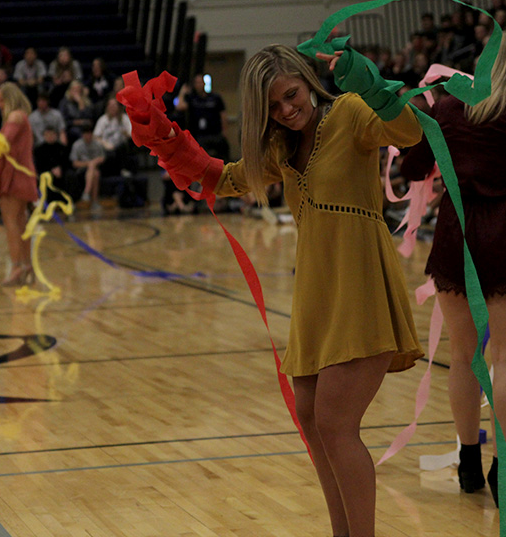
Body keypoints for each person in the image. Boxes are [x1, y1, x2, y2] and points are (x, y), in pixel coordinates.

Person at [118, 44, 424, 537]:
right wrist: (169, 139)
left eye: (291, 94)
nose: (286, 109)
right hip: (316, 296)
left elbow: (407, 131)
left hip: (360, 284)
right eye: (274, 106)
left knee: (337, 424)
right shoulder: (282, 146)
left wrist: (369, 86)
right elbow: (225, 178)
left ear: (307, 81)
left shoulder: (347, 113)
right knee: (313, 419)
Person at [400, 31, 506, 507]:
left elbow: (412, 169)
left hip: (456, 230)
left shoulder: (448, 106)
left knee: (464, 351)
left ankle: (469, 462)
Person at [0, 82, 39, 286]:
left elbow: (2, 142)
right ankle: (27, 265)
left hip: (14, 176)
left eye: (1, 100)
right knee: (21, 222)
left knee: (11, 222)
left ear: (9, 99)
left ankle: (17, 267)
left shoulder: (15, 116)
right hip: (23, 173)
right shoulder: (23, 116)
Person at [175, 73, 230, 160]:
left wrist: (224, 131)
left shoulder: (215, 98)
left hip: (215, 133)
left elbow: (223, 114)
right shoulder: (192, 99)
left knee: (223, 152)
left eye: (201, 82)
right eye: (197, 83)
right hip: (200, 136)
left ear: (204, 83)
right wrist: (182, 92)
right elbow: (179, 106)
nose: (199, 85)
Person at [93, 97, 134, 176]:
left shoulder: (124, 118)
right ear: (107, 107)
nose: (113, 108)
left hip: (121, 147)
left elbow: (131, 135)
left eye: (114, 105)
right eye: (111, 105)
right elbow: (95, 137)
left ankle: (124, 170)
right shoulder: (103, 120)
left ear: (118, 107)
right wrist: (105, 144)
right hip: (106, 148)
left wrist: (126, 134)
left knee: (123, 147)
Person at [69, 125, 105, 214]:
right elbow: (74, 163)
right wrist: (89, 164)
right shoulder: (77, 145)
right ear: (82, 135)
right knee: (93, 170)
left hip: (95, 170)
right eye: (86, 134)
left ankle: (86, 192)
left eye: (89, 134)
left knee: (95, 173)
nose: (88, 136)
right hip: (81, 170)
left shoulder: (97, 144)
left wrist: (93, 163)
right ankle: (94, 201)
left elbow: (102, 158)